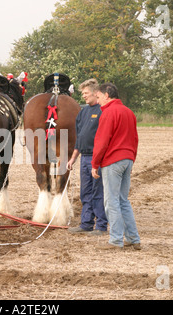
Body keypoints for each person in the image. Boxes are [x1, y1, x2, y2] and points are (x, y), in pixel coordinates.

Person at [91, 83, 141, 250]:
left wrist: (95, 164)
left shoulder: (108, 113)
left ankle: (116, 240)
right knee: (123, 200)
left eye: (98, 97)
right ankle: (133, 238)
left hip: (112, 161)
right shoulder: (129, 112)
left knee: (111, 201)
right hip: (127, 159)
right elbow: (135, 139)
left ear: (106, 95)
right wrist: (131, 159)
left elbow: (101, 141)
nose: (97, 102)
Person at [67, 79, 108, 235]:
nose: (83, 96)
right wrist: (73, 158)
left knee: (98, 191)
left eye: (85, 93)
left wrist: (98, 159)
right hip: (84, 157)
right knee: (85, 192)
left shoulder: (103, 110)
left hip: (97, 158)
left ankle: (101, 226)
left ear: (95, 93)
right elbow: (80, 138)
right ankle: (86, 223)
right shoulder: (83, 112)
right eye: (82, 93)